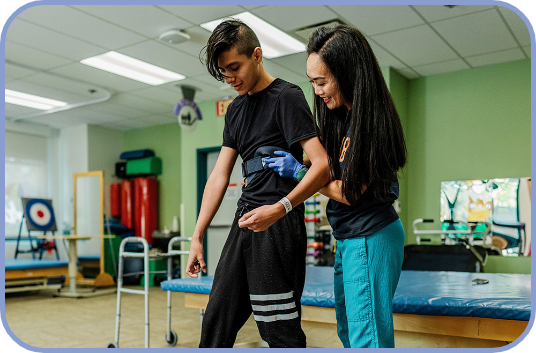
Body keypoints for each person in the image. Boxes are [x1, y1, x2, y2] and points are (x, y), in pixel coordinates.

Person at [256, 25, 407, 348]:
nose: (318, 91)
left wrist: (300, 174)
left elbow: (349, 193)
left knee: (368, 338)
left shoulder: (371, 123)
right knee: (349, 332)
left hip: (370, 236)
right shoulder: (343, 119)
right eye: (312, 82)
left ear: (349, 74)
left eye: (322, 82)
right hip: (349, 238)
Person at [185, 19, 330, 348]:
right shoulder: (235, 111)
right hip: (245, 220)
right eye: (223, 72)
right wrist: (197, 236)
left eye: (234, 67)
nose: (230, 78)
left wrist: (280, 209)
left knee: (277, 329)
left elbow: (320, 164)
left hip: (278, 223)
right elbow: (219, 176)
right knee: (216, 320)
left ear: (257, 55)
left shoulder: (286, 97)